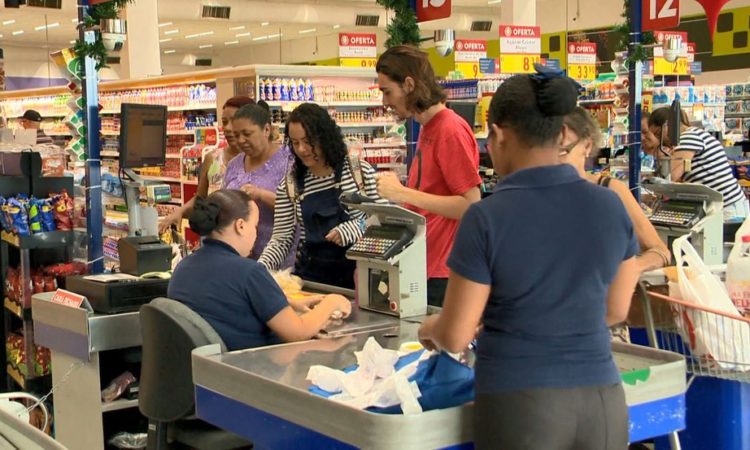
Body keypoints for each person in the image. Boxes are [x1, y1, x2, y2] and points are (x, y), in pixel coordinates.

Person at [417, 69, 640, 449]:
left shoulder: (486, 217)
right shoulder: (609, 204)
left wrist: (430, 329)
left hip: (521, 402)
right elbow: (617, 309)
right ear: (563, 134)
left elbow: (455, 334)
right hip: (601, 398)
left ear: (499, 135)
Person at [168, 189, 351, 351]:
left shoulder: (183, 267)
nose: (255, 234)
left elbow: (227, 302)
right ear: (240, 226)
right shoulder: (249, 272)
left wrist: (288, 304)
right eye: (254, 226)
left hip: (209, 372)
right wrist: (333, 302)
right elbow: (297, 333)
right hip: (252, 370)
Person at [375, 45, 481, 306]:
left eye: (387, 92)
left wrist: (401, 192)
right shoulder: (427, 127)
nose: (385, 102)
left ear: (409, 84)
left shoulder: (449, 130)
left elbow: (471, 205)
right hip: (422, 264)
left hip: (442, 275)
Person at [258, 103, 383, 289]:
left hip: (361, 279)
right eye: (295, 142)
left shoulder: (359, 172)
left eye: (308, 141)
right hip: (311, 280)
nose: (301, 149)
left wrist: (357, 227)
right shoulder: (290, 185)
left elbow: (384, 220)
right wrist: (258, 271)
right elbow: (281, 240)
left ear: (325, 136)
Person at [562, 107, 670, 272]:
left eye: (563, 150)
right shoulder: (531, 195)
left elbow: (660, 252)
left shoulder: (611, 190)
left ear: (587, 146)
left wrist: (627, 271)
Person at [160, 96, 255, 232]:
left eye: (234, 121)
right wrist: (179, 212)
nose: (227, 128)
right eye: (224, 122)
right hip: (212, 239)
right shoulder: (213, 158)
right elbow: (200, 199)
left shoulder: (258, 162)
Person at [649, 107, 749, 220]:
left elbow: (671, 176)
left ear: (668, 125)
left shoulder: (688, 137)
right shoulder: (694, 134)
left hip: (728, 208)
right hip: (726, 206)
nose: (658, 140)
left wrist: (659, 156)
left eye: (658, 134)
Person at [223, 103, 294, 262]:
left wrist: (261, 195)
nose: (241, 140)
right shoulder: (234, 165)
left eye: (247, 133)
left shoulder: (289, 162)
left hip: (279, 261)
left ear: (266, 130)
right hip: (239, 260)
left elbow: (299, 208)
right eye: (237, 134)